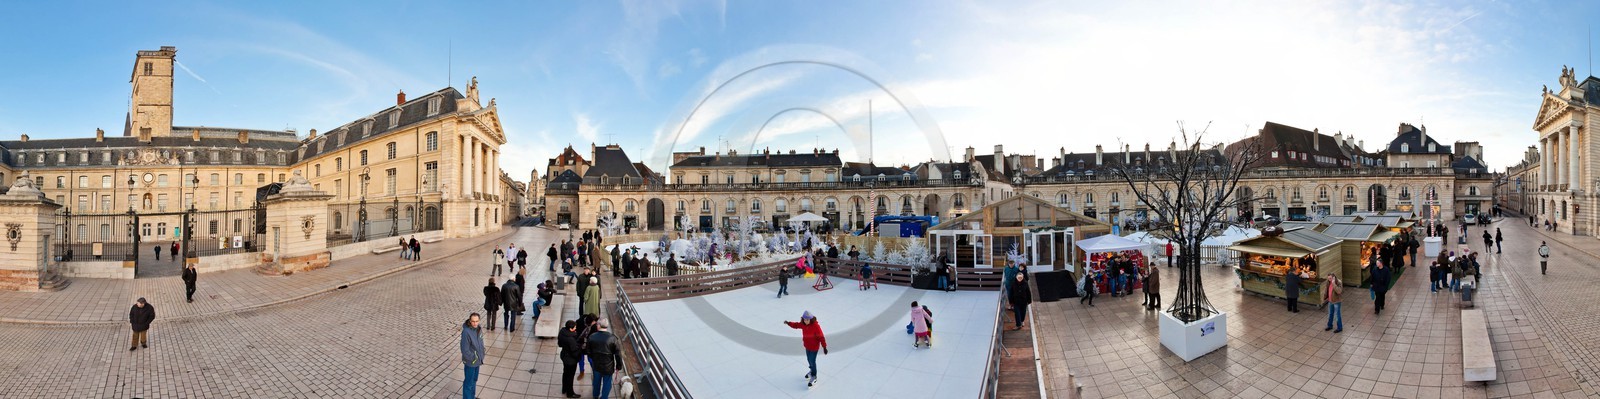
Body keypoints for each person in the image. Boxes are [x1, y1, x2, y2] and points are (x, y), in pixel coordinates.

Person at [784, 311, 828, 387]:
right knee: (808, 359)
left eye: (807, 320)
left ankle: (814, 376)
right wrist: (789, 323)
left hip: (814, 347)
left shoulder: (815, 326)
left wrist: (824, 347)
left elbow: (821, 337)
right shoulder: (803, 324)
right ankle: (812, 371)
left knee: (812, 360)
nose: (806, 321)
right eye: (804, 319)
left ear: (811, 319)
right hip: (807, 346)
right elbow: (796, 325)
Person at [586, 322, 623, 399]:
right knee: (607, 383)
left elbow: (588, 352)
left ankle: (595, 396)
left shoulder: (592, 337)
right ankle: (604, 397)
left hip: (596, 365)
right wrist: (618, 366)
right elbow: (618, 354)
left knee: (596, 382)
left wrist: (594, 358)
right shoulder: (613, 338)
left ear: (599, 326)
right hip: (608, 366)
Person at [460, 313, 485, 399]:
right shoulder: (466, 332)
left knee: (474, 380)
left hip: (477, 361)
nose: (475, 323)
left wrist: (482, 353)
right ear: (470, 321)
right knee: (468, 383)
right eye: (473, 321)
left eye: (477, 321)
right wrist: (474, 358)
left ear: (479, 320)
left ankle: (472, 397)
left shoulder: (479, 329)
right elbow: (464, 350)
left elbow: (481, 342)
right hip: (471, 362)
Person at [557, 320, 583, 398]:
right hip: (571, 360)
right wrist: (580, 348)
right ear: (571, 329)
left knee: (565, 373)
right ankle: (570, 393)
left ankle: (564, 388)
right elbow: (575, 352)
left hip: (564, 356)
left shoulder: (562, 332)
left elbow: (560, 344)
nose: (576, 328)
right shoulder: (571, 339)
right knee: (570, 376)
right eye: (575, 327)